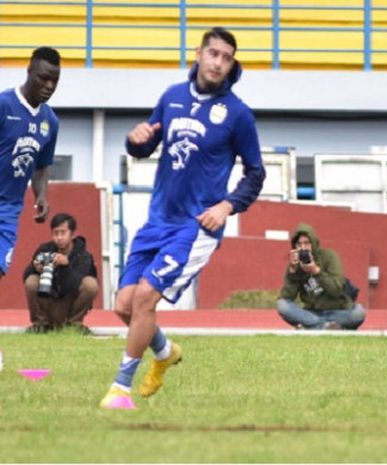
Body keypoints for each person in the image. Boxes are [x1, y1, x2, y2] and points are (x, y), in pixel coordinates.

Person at [99, 27, 266, 410]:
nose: (219, 63)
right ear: (198, 54)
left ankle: (121, 389)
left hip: (196, 226)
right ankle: (164, 352)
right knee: (123, 305)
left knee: (144, 298)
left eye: (226, 57)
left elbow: (255, 173)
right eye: (214, 54)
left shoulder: (238, 115)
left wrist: (227, 207)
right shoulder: (171, 98)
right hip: (158, 219)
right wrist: (134, 141)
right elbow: (145, 145)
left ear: (231, 63)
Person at [0, 47, 60, 279]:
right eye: (43, 78)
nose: (49, 86)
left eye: (55, 81)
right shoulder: (4, 105)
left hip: (9, 209)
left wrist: (41, 195)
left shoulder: (50, 121)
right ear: (29, 72)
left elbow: (41, 165)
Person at [277, 223, 366, 330]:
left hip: (337, 311)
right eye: (299, 244)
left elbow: (336, 290)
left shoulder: (330, 256)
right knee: (282, 305)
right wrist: (292, 272)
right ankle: (330, 327)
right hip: (312, 313)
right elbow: (287, 298)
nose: (303, 247)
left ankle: (312, 327)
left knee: (359, 313)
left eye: (307, 243)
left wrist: (316, 270)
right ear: (294, 246)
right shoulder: (295, 265)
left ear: (313, 243)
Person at [23, 213, 99, 334]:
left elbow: (75, 285)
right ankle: (41, 324)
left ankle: (74, 325)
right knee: (32, 280)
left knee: (90, 284)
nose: (59, 238)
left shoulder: (83, 256)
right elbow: (25, 276)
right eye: (55, 233)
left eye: (63, 233)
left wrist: (66, 265)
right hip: (48, 302)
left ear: (72, 234)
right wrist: (35, 267)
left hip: (70, 305)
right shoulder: (45, 249)